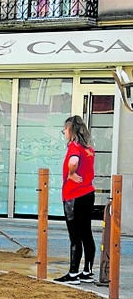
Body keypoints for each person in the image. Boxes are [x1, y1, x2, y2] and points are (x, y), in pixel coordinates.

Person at [54, 115, 96, 284]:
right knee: (86, 233)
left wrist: (71, 173)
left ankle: (73, 274)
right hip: (88, 193)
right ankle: (87, 271)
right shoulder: (89, 148)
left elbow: (73, 161)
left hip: (74, 196)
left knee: (75, 236)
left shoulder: (74, 147)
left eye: (65, 129)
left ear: (71, 130)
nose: (63, 132)